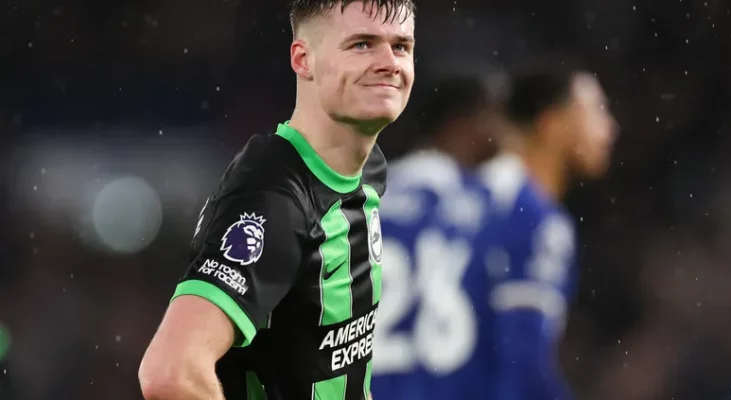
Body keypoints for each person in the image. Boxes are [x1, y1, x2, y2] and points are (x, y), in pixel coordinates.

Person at [138, 0, 416, 399]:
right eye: (361, 44)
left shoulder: (367, 169)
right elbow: (171, 373)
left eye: (401, 46)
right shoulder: (275, 198)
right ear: (303, 59)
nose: (389, 63)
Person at [479, 68, 618, 400]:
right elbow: (520, 362)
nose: (610, 128)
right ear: (551, 123)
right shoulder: (529, 213)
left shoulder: (476, 191)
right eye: (596, 111)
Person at [370, 73, 507, 399]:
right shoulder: (483, 205)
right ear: (462, 123)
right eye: (496, 117)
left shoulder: (368, 196)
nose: (503, 133)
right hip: (440, 383)